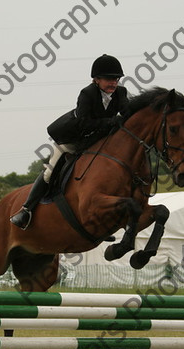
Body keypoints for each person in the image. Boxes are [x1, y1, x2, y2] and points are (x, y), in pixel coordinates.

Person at [10, 54, 129, 230]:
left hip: (98, 141)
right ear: (96, 79)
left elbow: (128, 112)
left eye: (116, 79)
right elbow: (83, 123)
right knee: (49, 173)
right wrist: (111, 122)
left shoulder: (121, 92)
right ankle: (26, 210)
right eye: (109, 79)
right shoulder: (87, 93)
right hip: (73, 139)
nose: (113, 83)